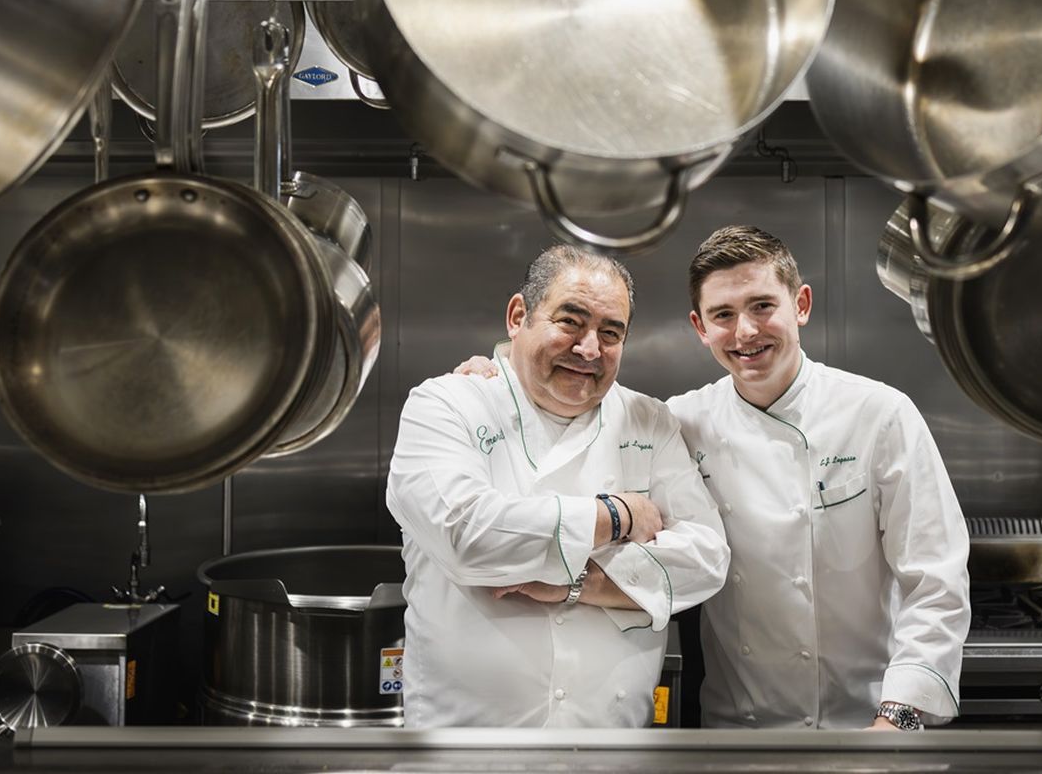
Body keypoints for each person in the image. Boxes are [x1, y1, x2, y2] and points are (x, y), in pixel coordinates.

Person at [455, 226, 970, 731]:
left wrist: (899, 719)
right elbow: (577, 395)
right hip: (737, 731)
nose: (745, 332)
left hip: (871, 722)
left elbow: (936, 577)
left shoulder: (880, 414)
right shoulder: (678, 422)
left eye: (762, 306)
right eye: (723, 315)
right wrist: (499, 376)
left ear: (802, 305)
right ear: (701, 328)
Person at [384, 244, 730, 728]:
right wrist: (616, 517)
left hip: (609, 744)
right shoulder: (446, 404)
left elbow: (706, 559)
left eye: (611, 333)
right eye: (570, 321)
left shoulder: (647, 420)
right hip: (469, 749)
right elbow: (466, 535)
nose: (590, 349)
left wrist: (578, 584)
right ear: (518, 315)